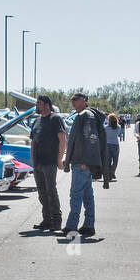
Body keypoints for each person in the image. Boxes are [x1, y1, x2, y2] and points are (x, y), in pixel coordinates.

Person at [60, 92, 106, 237]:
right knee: (87, 196)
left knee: (76, 195)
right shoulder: (85, 115)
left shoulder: (86, 115)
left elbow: (90, 139)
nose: (72, 102)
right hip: (82, 162)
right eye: (72, 99)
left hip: (82, 163)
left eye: (75, 99)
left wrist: (85, 161)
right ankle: (88, 226)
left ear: (84, 100)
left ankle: (72, 227)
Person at [29, 95, 66, 231]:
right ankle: (47, 220)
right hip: (38, 163)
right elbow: (33, 142)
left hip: (50, 162)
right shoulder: (37, 121)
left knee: (51, 191)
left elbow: (62, 139)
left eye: (38, 103)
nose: (36, 106)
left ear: (47, 105)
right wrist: (32, 160)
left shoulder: (55, 119)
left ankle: (56, 221)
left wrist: (59, 159)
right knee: (42, 193)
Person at [103, 113, 121, 180]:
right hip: (115, 144)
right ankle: (112, 171)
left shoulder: (106, 127)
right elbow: (118, 134)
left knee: (108, 160)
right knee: (115, 160)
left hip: (107, 144)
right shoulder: (118, 127)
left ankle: (108, 174)